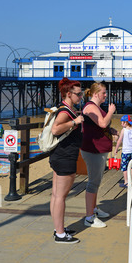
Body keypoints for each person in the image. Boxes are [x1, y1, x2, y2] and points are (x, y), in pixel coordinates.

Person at [50, 77, 84, 244]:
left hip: (59, 156)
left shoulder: (64, 108)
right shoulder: (65, 112)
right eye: (78, 94)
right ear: (69, 94)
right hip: (65, 157)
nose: (81, 97)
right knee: (60, 197)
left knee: (56, 195)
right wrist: (74, 122)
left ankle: (58, 228)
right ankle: (61, 235)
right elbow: (56, 129)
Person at [81, 83, 118, 228]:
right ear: (95, 94)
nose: (105, 95)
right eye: (103, 93)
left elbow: (99, 126)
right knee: (93, 182)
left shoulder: (95, 107)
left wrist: (112, 130)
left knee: (96, 181)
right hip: (93, 150)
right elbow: (102, 123)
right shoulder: (90, 107)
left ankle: (94, 209)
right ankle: (89, 218)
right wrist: (111, 111)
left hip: (98, 149)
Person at [114, 115, 132, 187]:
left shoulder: (123, 130)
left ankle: (126, 182)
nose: (121, 124)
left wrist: (116, 149)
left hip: (126, 152)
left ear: (125, 123)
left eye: (122, 122)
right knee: (131, 165)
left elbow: (119, 140)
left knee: (124, 167)